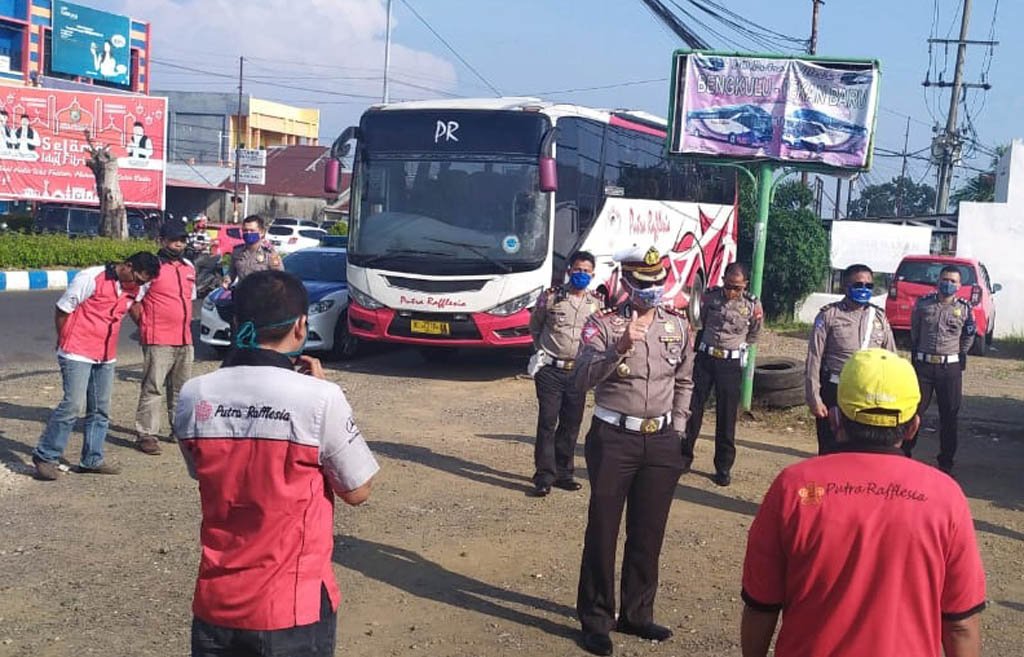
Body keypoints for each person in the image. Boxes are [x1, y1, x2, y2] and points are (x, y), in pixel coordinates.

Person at [173, 270, 379, 657]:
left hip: (217, 602)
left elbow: (200, 471)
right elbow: (357, 490)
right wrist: (319, 389)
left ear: (235, 325)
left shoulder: (192, 394)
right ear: (301, 326)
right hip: (292, 606)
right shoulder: (320, 398)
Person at [741, 348, 985, 657]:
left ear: (837, 418)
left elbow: (761, 606)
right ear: (913, 427)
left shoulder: (795, 487)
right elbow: (961, 624)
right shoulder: (945, 497)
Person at [574, 245, 694, 656]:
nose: (652, 290)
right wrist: (619, 348)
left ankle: (637, 613)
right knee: (603, 529)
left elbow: (685, 381)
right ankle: (595, 619)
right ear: (626, 283)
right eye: (643, 284)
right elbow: (582, 380)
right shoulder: (602, 324)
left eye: (658, 282)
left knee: (648, 531)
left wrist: (678, 430)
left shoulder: (677, 326)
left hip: (660, 440)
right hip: (614, 437)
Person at [32, 252, 161, 480]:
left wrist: (148, 327)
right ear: (128, 266)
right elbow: (63, 309)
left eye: (144, 283)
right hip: (77, 351)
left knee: (100, 409)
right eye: (139, 280)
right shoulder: (91, 278)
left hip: (106, 354)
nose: (140, 285)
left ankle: (92, 459)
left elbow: (134, 307)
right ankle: (46, 456)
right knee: (72, 405)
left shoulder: (135, 287)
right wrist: (63, 339)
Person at [527, 251, 603, 496]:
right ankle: (544, 476)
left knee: (571, 424)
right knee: (548, 422)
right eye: (577, 270)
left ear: (593, 274)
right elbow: (535, 326)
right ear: (569, 270)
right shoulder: (551, 298)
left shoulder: (596, 303)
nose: (581, 274)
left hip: (578, 372)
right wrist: (543, 352)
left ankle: (564, 473)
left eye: (586, 271)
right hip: (550, 370)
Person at [682, 262, 763, 486]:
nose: (731, 291)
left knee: (726, 417)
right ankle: (684, 458)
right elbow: (701, 322)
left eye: (737, 287)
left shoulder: (752, 306)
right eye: (728, 286)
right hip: (706, 359)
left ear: (745, 285)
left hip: (730, 363)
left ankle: (723, 467)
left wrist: (740, 350)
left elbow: (754, 333)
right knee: (692, 410)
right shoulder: (711, 297)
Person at [805, 263, 895, 455]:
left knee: (862, 448)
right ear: (845, 287)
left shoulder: (879, 318)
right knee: (830, 447)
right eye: (858, 285)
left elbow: (891, 358)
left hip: (867, 392)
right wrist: (814, 397)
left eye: (868, 286)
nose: (864, 289)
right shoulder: (829, 315)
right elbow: (814, 358)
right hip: (835, 389)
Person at [130, 218, 196, 455]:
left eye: (182, 240)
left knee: (182, 389)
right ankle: (146, 433)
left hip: (184, 338)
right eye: (173, 240)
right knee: (153, 387)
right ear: (162, 241)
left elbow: (190, 299)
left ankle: (178, 430)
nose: (178, 244)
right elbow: (133, 300)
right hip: (158, 338)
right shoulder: (152, 266)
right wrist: (145, 324)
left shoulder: (189, 267)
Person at [902, 265, 976, 474]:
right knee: (913, 412)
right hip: (923, 367)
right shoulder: (924, 304)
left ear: (960, 286)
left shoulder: (965, 308)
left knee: (949, 417)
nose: (948, 284)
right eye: (945, 279)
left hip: (949, 369)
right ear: (938, 281)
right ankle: (905, 454)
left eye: (953, 281)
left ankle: (946, 463)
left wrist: (959, 353)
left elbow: (969, 335)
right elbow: (915, 331)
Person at [222, 214, 282, 287]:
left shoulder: (269, 253)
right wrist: (227, 281)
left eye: (252, 230)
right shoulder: (237, 252)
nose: (248, 233)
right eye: (245, 230)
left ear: (262, 232)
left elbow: (279, 277)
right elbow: (231, 272)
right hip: (242, 293)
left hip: (262, 294)